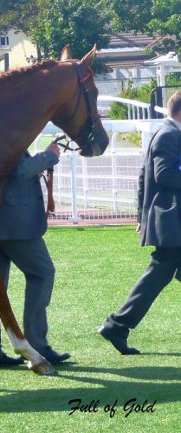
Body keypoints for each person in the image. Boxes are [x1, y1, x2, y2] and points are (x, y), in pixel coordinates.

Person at [99, 91, 181, 354]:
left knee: (158, 274)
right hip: (172, 221)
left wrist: (140, 216)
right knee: (157, 274)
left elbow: (144, 177)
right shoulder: (170, 134)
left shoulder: (167, 132)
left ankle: (117, 325)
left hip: (169, 221)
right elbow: (164, 175)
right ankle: (117, 325)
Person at [0, 140, 71, 368]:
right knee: (42, 273)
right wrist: (49, 156)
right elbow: (19, 170)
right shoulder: (6, 135)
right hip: (16, 224)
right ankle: (36, 344)